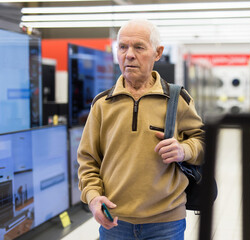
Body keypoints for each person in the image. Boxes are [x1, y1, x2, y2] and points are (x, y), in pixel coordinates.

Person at [77, 19, 205, 240]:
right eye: (123, 47)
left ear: (157, 53)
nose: (129, 55)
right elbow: (88, 160)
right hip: (114, 221)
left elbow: (203, 143)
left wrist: (184, 150)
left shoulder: (177, 99)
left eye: (138, 47)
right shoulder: (102, 104)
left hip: (166, 222)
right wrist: (93, 197)